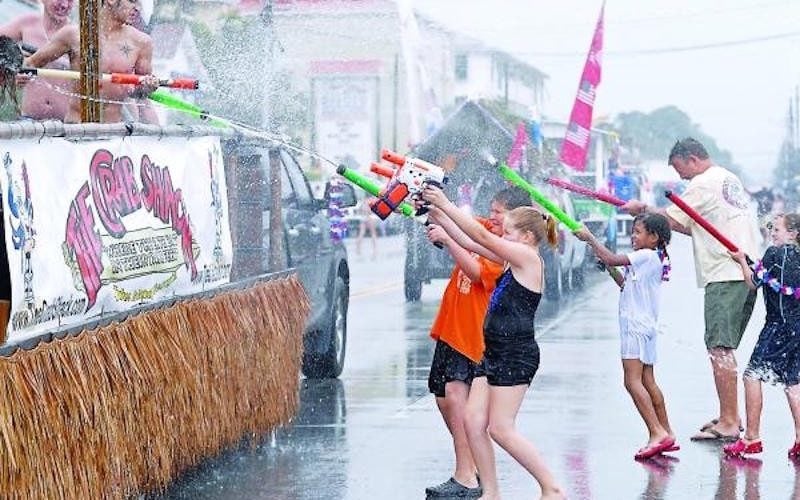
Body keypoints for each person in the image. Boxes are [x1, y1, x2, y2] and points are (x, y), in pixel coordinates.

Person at [422, 185, 565, 500]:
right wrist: (439, 216)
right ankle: (492, 492)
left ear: (527, 236)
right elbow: (470, 242)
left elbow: (483, 238)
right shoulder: (513, 258)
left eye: (509, 232)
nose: (503, 236)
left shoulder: (528, 258)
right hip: (494, 352)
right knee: (473, 421)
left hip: (515, 355)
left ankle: (551, 487)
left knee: (500, 428)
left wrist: (445, 202)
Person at [622, 137, 760, 442]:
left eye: (680, 169)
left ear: (693, 159)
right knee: (722, 346)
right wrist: (651, 214)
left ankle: (729, 420)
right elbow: (688, 225)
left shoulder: (703, 182)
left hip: (725, 273)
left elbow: (666, 220)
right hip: (742, 270)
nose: (681, 177)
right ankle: (729, 415)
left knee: (719, 348)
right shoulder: (727, 177)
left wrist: (642, 210)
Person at [575, 213, 677, 459]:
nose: (633, 236)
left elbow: (611, 257)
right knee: (648, 381)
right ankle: (666, 431)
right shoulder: (652, 258)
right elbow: (626, 285)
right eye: (632, 232)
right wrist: (611, 270)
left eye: (638, 232)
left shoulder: (645, 255)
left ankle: (656, 432)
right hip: (646, 327)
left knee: (631, 382)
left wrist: (590, 238)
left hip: (635, 328)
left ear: (654, 237)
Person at [724, 213, 800, 459]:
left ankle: (751, 438)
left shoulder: (774, 253)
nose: (772, 233)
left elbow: (753, 282)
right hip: (798, 326)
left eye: (777, 229)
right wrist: (750, 262)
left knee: (751, 376)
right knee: (793, 382)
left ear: (793, 233)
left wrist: (741, 261)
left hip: (777, 326)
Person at [22, 0, 159, 123]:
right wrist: (20, 76)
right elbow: (30, 64)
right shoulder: (74, 34)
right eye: (132, 1)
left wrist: (147, 87)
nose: (137, 8)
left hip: (113, 131)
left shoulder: (142, 42)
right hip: (76, 129)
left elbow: (139, 93)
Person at [0, 0, 75, 120]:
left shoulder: (76, 34)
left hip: (65, 124)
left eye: (70, 0)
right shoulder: (28, 23)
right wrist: (12, 71)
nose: (64, 5)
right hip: (28, 121)